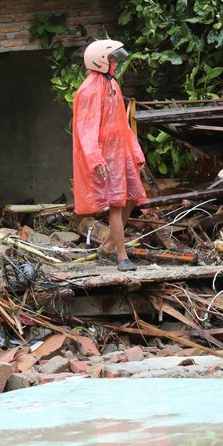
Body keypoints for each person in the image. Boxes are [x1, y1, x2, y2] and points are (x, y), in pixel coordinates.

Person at [72, 39, 147, 272]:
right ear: (101, 60)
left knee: (132, 197)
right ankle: (122, 257)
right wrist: (95, 158)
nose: (115, 63)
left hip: (120, 150)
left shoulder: (112, 84)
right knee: (116, 202)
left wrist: (136, 153)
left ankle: (107, 246)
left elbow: (122, 124)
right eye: (112, 59)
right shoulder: (89, 90)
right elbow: (85, 127)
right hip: (106, 154)